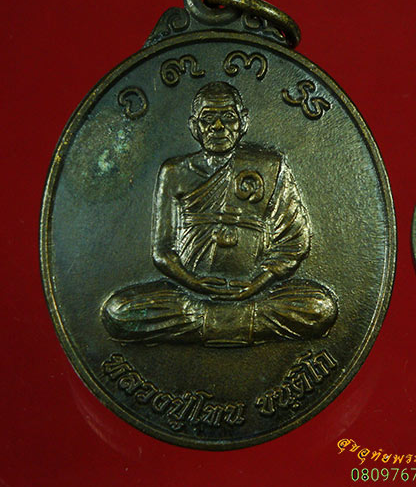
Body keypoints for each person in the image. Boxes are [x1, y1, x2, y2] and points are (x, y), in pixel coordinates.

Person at [102, 81, 337, 346]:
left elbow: (294, 241)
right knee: (119, 311)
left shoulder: (270, 166)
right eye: (207, 119)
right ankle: (239, 322)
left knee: (320, 308)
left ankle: (207, 322)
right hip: (190, 295)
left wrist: (257, 283)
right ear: (194, 126)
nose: (217, 127)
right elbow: (163, 251)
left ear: (243, 122)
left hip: (256, 293)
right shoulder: (175, 172)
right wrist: (195, 283)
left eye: (228, 117)